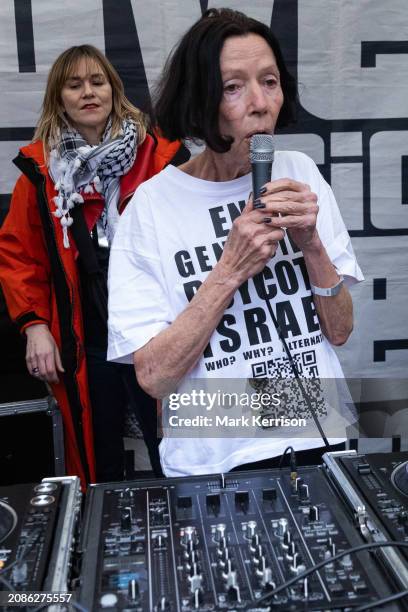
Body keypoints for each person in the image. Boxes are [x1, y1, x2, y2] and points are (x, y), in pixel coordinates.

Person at [107, 9, 364, 478]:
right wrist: (228, 271)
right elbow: (155, 377)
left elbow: (341, 331)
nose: (260, 102)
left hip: (317, 437)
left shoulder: (301, 172)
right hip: (214, 458)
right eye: (233, 87)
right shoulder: (151, 206)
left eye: (269, 81)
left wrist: (312, 247)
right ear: (199, 98)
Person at [0, 44, 186, 486]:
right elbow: (18, 255)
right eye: (74, 84)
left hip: (159, 334)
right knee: (99, 462)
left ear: (113, 90)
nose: (88, 92)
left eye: (97, 82)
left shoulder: (160, 159)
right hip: (89, 340)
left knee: (180, 448)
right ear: (58, 97)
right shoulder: (41, 172)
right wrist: (35, 326)